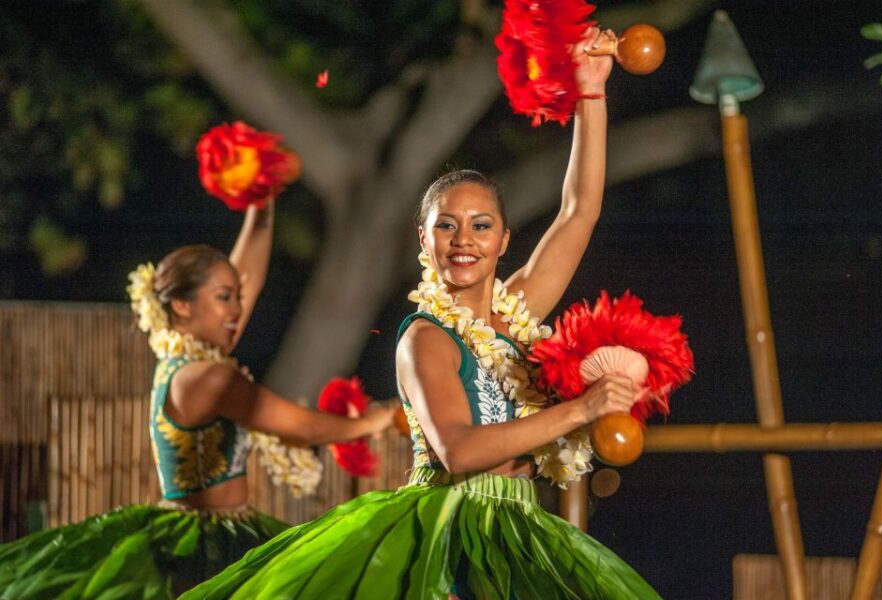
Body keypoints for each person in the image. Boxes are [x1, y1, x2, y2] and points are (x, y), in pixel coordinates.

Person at [179, 28, 660, 599]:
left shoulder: (519, 310)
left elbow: (579, 211)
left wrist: (590, 93)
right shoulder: (425, 338)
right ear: (423, 240)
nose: (464, 240)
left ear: (504, 240)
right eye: (446, 226)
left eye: (481, 226)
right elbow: (458, 448)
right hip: (447, 536)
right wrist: (580, 410)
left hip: (522, 529)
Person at [0, 200, 395, 599]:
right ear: (182, 305)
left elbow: (248, 280)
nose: (237, 309)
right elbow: (303, 426)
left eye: (237, 298)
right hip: (204, 548)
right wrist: (373, 420)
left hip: (216, 528)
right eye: (225, 297)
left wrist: (262, 207)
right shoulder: (210, 379)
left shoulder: (186, 361)